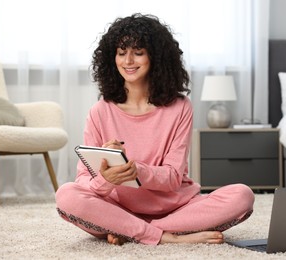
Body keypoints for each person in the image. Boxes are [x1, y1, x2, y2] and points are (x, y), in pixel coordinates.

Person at [55, 13, 254, 245]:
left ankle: (135, 231)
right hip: (119, 207)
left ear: (156, 58)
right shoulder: (100, 111)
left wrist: (133, 170)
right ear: (112, 58)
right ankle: (167, 236)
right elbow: (83, 181)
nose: (128, 61)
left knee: (242, 196)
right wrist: (106, 179)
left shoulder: (180, 107)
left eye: (138, 52)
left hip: (176, 208)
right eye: (121, 53)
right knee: (66, 195)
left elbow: (171, 177)